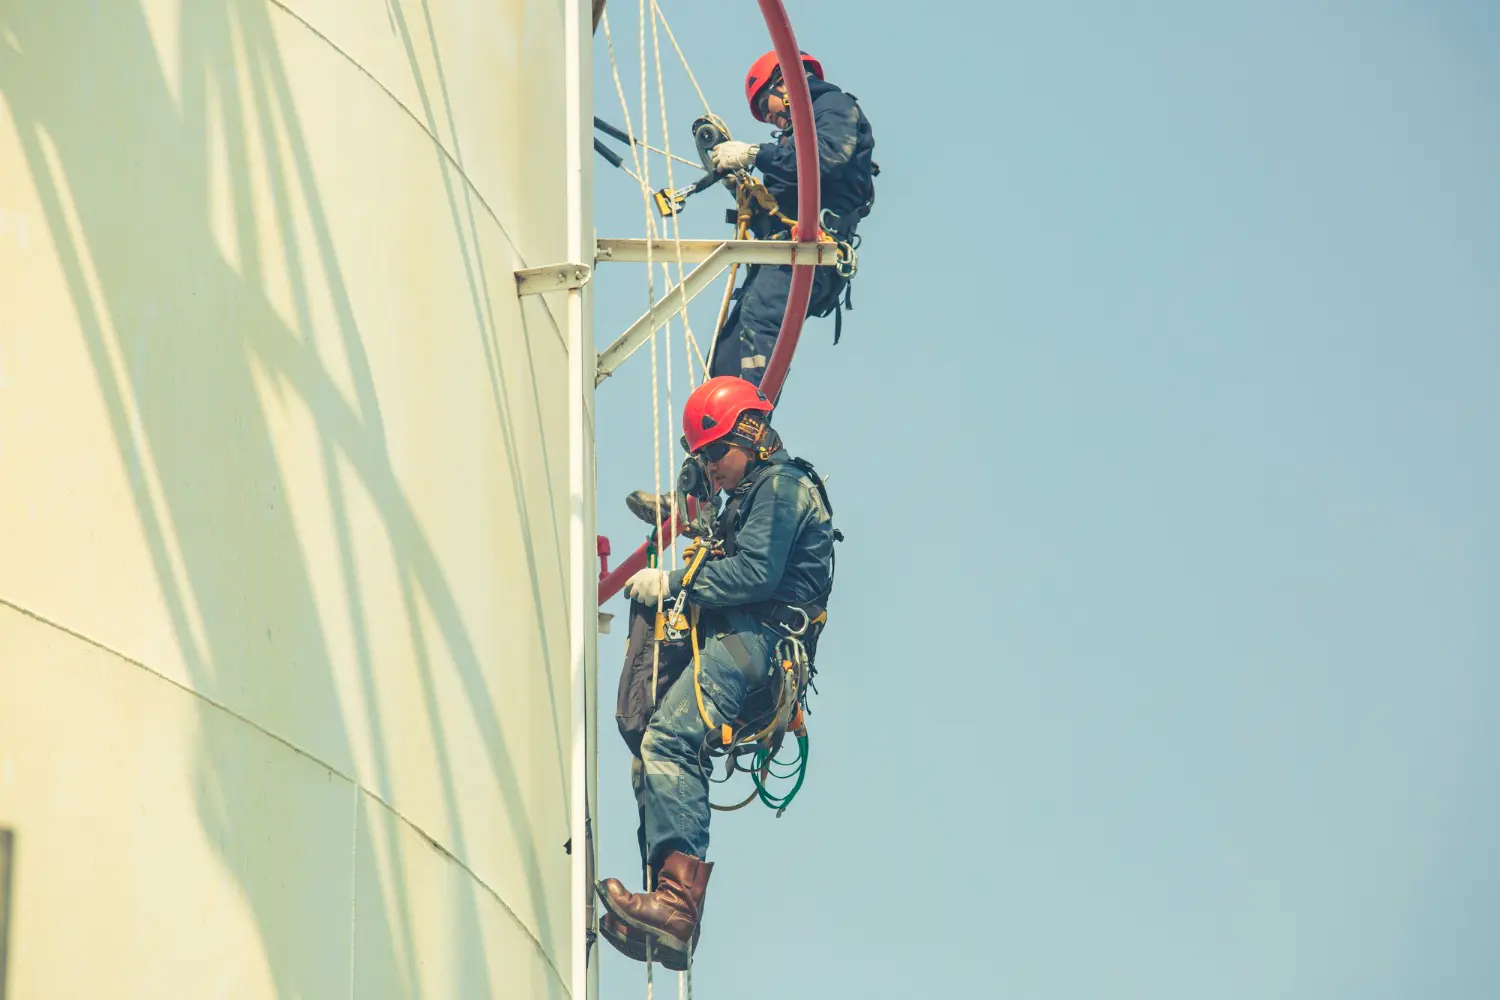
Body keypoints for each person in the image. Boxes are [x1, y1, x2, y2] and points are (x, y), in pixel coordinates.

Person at [598, 376, 836, 968]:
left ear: (750, 436)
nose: (710, 467)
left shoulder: (782, 487)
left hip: (758, 646)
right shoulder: (748, 495)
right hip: (743, 642)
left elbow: (755, 574)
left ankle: (676, 908)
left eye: (714, 453)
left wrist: (675, 582)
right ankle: (660, 900)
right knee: (651, 750)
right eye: (701, 458)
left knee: (670, 740)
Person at [705, 49, 877, 387]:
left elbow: (825, 158)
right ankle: (719, 411)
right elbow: (781, 207)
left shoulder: (832, 105)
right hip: (784, 251)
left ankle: (750, 410)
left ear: (784, 83)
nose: (769, 118)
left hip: (811, 248)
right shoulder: (794, 140)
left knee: (760, 321)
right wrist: (741, 190)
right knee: (728, 349)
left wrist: (754, 154)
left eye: (765, 106)